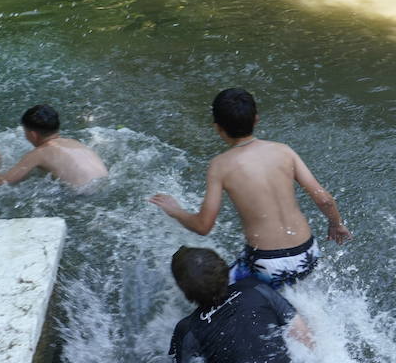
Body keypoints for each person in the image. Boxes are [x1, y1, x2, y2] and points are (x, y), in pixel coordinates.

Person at [150, 88, 350, 287]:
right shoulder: (284, 151)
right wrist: (336, 224)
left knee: (214, 295)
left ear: (217, 128)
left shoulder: (220, 166)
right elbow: (323, 198)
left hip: (267, 263)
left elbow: (203, 226)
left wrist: (175, 210)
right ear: (256, 119)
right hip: (308, 253)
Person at [139, 246, 314, 363]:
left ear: (185, 290)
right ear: (223, 268)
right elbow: (307, 339)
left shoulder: (187, 329)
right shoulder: (257, 289)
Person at [0, 104, 108, 190]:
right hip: (105, 185)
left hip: (83, 195)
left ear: (33, 134)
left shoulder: (39, 154)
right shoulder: (74, 143)